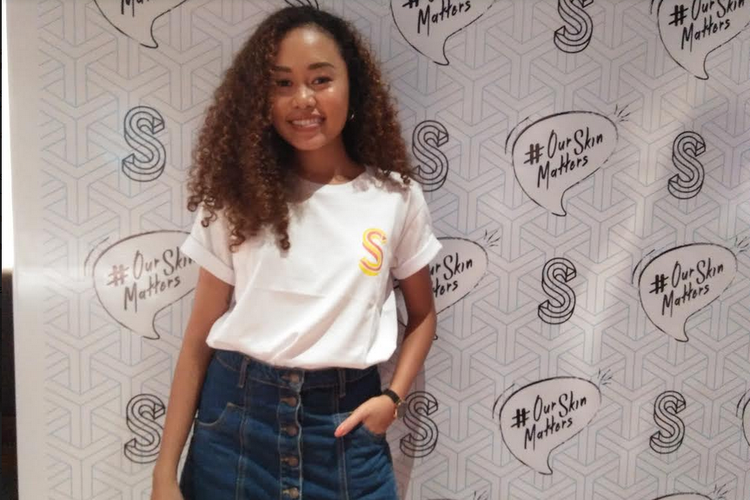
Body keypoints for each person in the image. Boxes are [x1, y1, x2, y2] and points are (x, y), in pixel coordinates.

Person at [151, 5, 441, 499]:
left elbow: (423, 315)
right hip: (235, 429)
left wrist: (392, 399)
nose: (303, 99)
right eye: (282, 83)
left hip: (345, 432)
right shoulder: (236, 198)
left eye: (320, 79)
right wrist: (163, 472)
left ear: (352, 86)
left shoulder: (395, 198)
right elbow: (198, 339)